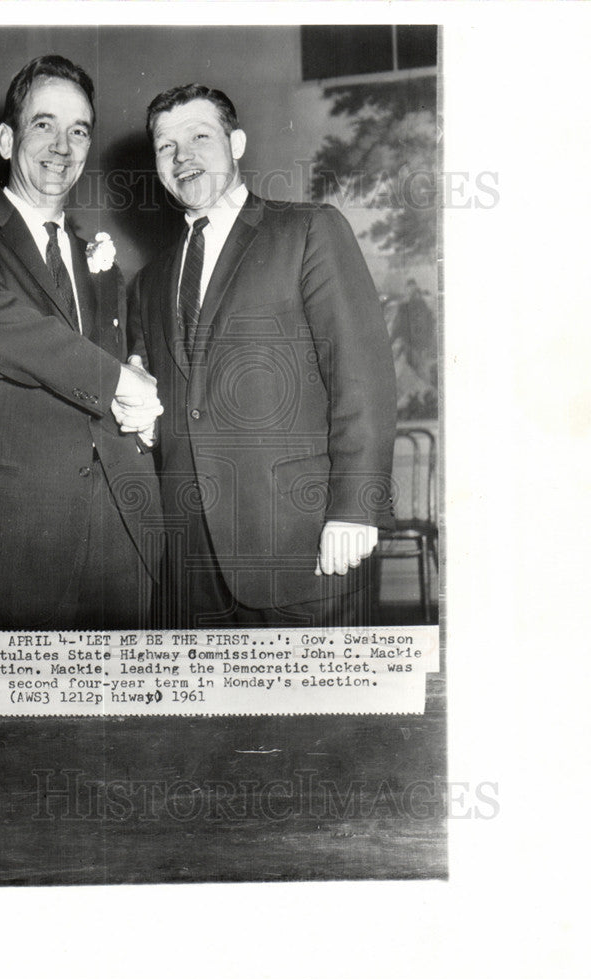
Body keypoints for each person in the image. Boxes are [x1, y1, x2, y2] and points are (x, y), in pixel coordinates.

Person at [0, 55, 163, 630]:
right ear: (6, 139)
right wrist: (118, 379)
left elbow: (118, 381)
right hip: (2, 543)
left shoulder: (102, 265)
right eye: (44, 124)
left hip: (122, 543)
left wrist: (140, 403)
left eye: (79, 131)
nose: (63, 145)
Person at [128, 84, 397, 628]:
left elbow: (361, 375)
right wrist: (139, 416)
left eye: (200, 136)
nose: (184, 156)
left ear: (238, 143)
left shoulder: (307, 231)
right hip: (190, 568)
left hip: (306, 549)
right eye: (165, 146)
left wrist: (354, 507)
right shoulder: (147, 282)